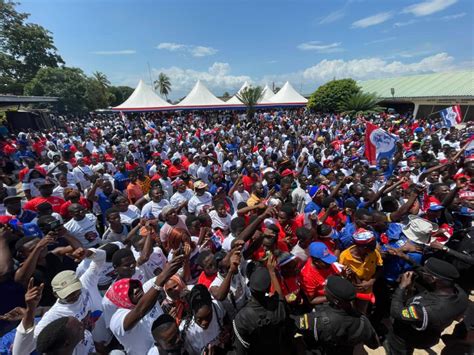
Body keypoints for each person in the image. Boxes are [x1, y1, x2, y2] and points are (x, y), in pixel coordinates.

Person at [386, 258, 469, 354]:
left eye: (424, 273)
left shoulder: (427, 309)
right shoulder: (461, 294)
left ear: (433, 279)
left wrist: (402, 287)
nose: (422, 273)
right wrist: (406, 257)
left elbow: (396, 312)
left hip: (409, 337)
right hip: (431, 336)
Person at [107, 255, 184, 355]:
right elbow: (140, 311)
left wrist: (175, 261)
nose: (136, 291)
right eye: (129, 292)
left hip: (171, 347)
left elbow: (163, 276)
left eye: (136, 286)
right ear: (121, 299)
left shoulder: (147, 293)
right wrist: (162, 278)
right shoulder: (117, 318)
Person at [294, 275, 379, 354]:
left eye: (326, 290)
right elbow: (374, 345)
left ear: (336, 301)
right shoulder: (363, 321)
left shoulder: (316, 319)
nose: (324, 291)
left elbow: (292, 324)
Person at [232, 265, 289, 354]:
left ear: (249, 286)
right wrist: (272, 272)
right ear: (268, 288)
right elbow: (280, 297)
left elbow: (240, 350)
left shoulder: (242, 317)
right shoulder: (276, 307)